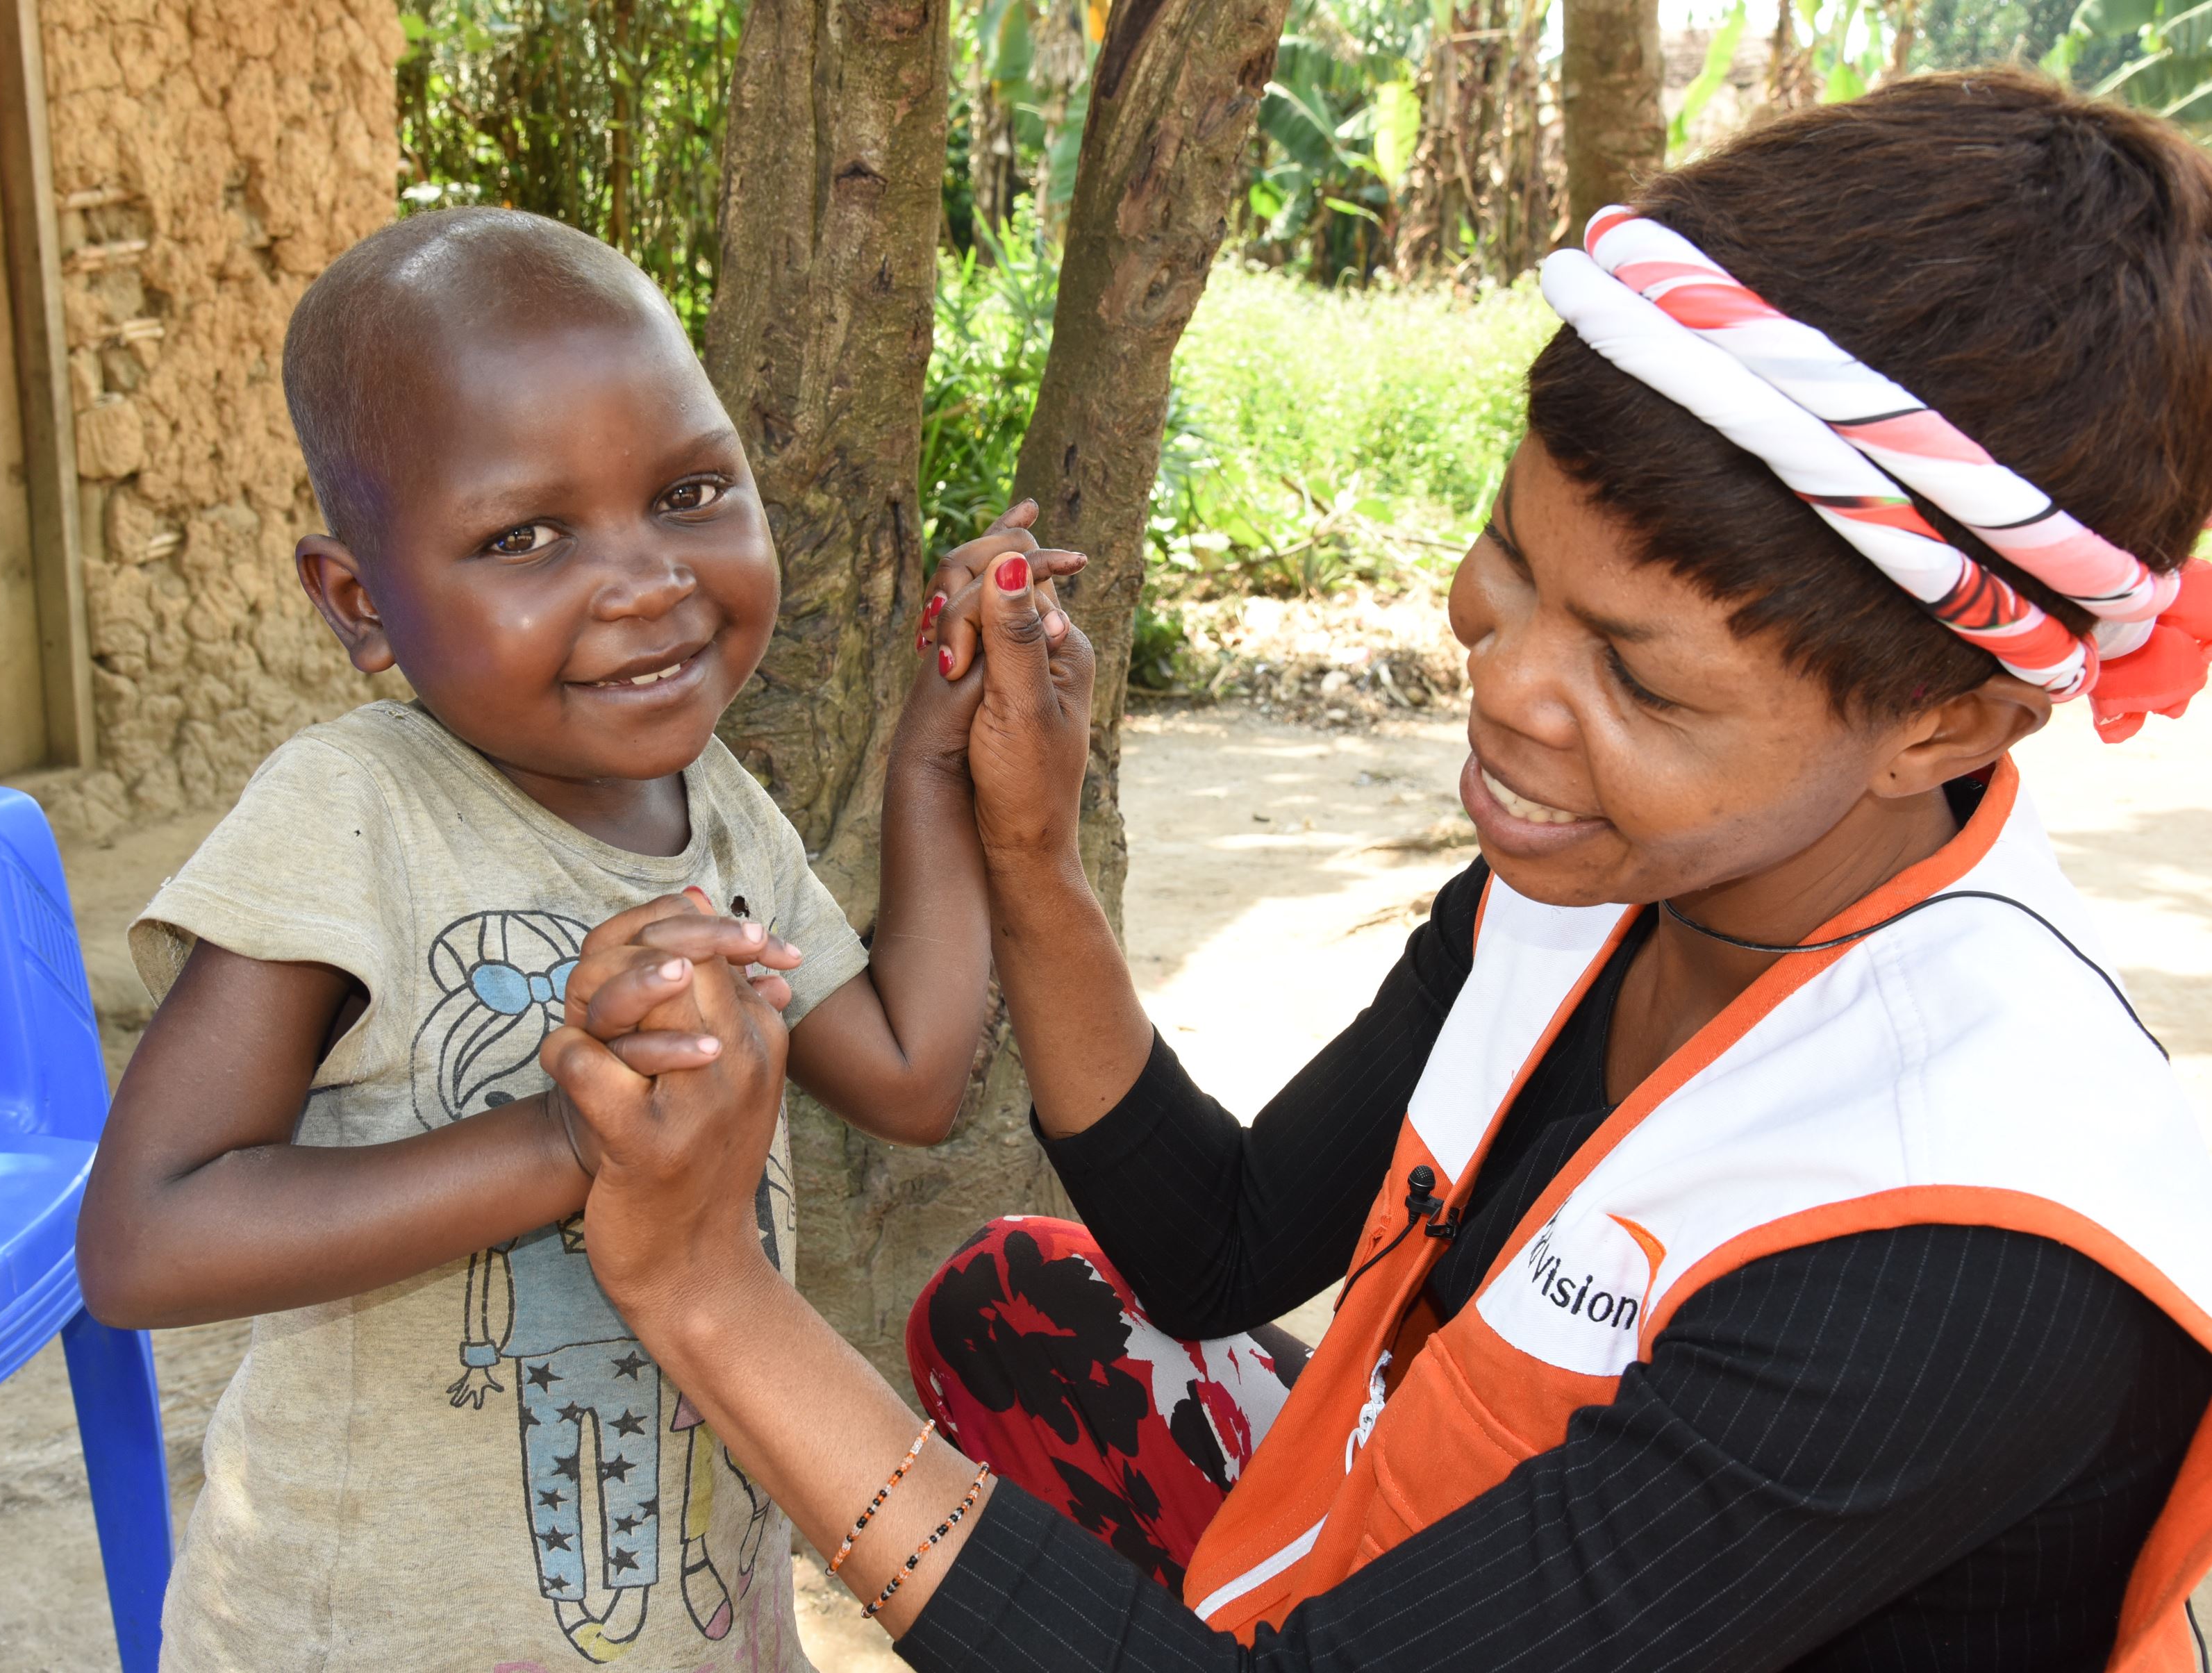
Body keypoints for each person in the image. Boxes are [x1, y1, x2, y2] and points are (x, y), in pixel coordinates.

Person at [541, 71, 2212, 1672]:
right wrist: (1031, 847)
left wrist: (705, 1290)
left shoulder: (1955, 1255)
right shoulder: (1609, 888)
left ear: (1943, 720)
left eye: (1635, 679)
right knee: (1024, 1309)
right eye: (1510, 553)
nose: (1503, 680)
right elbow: (1218, 1246)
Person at [72, 208, 1077, 1672]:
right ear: (360, 602)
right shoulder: (354, 812)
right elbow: (144, 1239)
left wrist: (938, 758)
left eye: (689, 492)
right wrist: (571, 1138)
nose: (647, 579)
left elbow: (913, 1072)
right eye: (522, 536)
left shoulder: (715, 805)